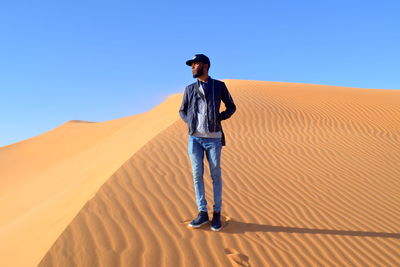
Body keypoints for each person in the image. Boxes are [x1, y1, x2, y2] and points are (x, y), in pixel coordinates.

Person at [179, 54, 236, 231]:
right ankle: (202, 212)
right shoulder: (189, 89)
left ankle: (217, 213)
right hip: (194, 138)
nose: (192, 67)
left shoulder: (218, 86)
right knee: (197, 175)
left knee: (215, 175)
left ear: (204, 65)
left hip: (214, 138)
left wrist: (218, 118)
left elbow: (231, 106)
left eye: (195, 64)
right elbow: (182, 110)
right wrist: (191, 122)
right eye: (191, 65)